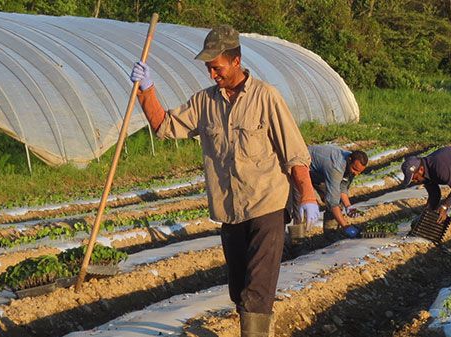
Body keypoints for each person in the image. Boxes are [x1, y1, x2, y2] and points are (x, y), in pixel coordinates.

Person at [129, 25, 320, 337]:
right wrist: (146, 90)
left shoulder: (266, 97)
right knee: (238, 286)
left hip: (266, 204)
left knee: (257, 288)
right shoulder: (204, 103)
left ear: (236, 60)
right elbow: (164, 126)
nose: (211, 74)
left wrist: (308, 194)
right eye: (207, 68)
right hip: (229, 209)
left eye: (215, 67)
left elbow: (294, 152)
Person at [297, 145, 368, 236]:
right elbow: (332, 201)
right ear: (349, 160)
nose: (356, 173)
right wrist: (346, 226)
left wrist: (348, 206)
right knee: (306, 203)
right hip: (301, 169)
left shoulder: (351, 165)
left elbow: (342, 186)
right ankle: (298, 241)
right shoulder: (336, 167)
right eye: (355, 169)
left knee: (337, 202)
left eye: (359, 172)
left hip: (318, 175)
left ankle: (331, 235)